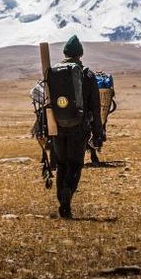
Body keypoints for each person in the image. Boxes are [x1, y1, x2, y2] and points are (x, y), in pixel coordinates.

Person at [48, 35, 104, 219]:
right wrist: (98, 133)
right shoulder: (87, 74)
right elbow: (96, 107)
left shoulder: (52, 72)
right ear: (80, 54)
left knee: (62, 164)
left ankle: (61, 199)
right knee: (76, 164)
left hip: (57, 127)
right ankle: (67, 197)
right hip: (79, 128)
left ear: (65, 53)